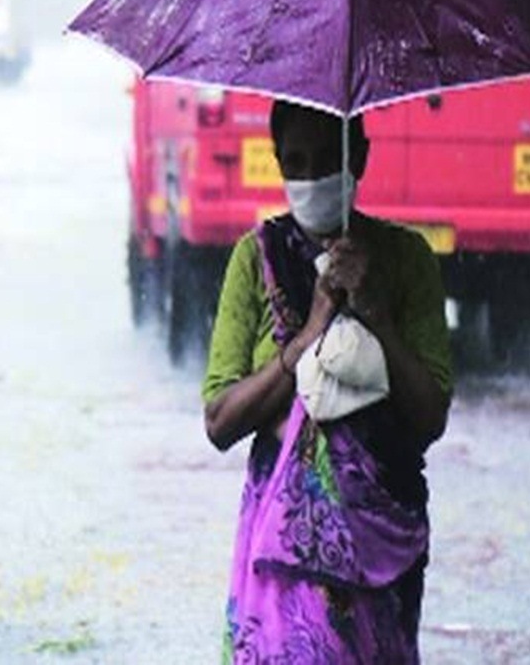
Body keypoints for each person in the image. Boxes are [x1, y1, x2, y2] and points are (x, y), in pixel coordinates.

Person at [202, 100, 453, 663]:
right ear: (277, 164)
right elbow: (219, 420)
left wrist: (376, 315)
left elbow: (430, 417)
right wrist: (309, 333)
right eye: (295, 162)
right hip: (281, 542)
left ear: (359, 157)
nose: (312, 178)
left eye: (326, 160)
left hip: (382, 539)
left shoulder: (406, 259)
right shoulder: (255, 260)